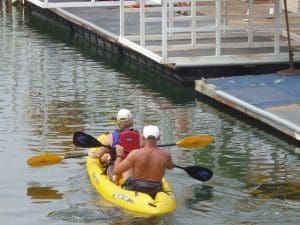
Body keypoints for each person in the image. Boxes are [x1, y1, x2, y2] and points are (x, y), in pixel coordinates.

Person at [113, 125, 174, 198]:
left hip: (137, 188)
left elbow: (116, 170)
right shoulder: (166, 155)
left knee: (128, 167)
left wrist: (119, 155)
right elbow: (170, 167)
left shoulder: (135, 153)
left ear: (143, 137)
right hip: (156, 189)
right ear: (158, 138)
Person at [88, 108, 140, 180]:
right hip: (134, 166)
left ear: (118, 122)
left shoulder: (111, 136)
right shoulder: (139, 136)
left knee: (108, 158)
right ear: (131, 121)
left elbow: (98, 155)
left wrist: (90, 154)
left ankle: (113, 177)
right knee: (107, 156)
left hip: (117, 167)